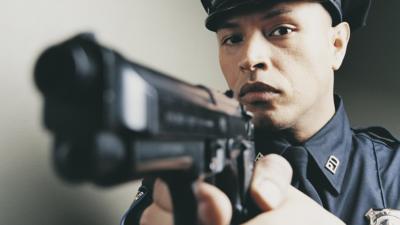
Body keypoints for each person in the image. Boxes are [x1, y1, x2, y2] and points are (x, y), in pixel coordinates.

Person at [121, 0, 400, 224]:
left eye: (281, 30)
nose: (250, 57)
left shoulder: (394, 173)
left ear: (336, 45)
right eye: (233, 38)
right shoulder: (193, 171)